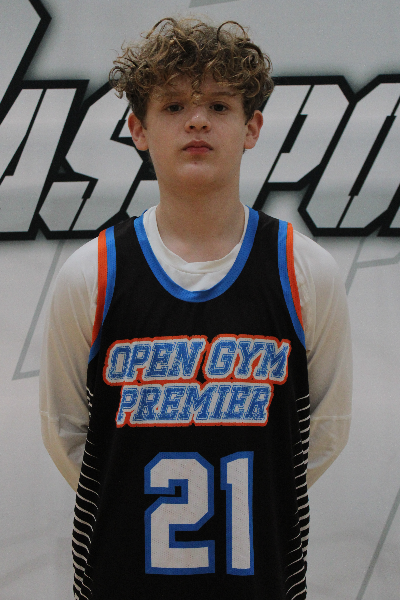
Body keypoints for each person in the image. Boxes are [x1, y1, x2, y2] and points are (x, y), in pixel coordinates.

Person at [40, 17, 352, 600]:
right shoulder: (92, 274)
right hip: (121, 577)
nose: (198, 120)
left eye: (219, 105)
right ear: (138, 129)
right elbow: (67, 431)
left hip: (261, 579)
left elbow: (324, 431)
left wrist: (245, 505)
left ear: (252, 127)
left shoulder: (305, 271)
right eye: (174, 105)